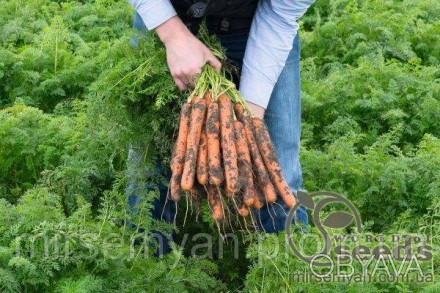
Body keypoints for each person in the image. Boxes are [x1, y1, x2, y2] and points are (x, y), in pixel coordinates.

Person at [127, 0, 314, 253]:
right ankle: (143, 269)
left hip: (256, 25)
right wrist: (173, 34)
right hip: (166, 13)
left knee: (277, 173)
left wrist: (249, 121)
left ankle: (289, 269)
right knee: (148, 173)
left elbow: (280, 14)